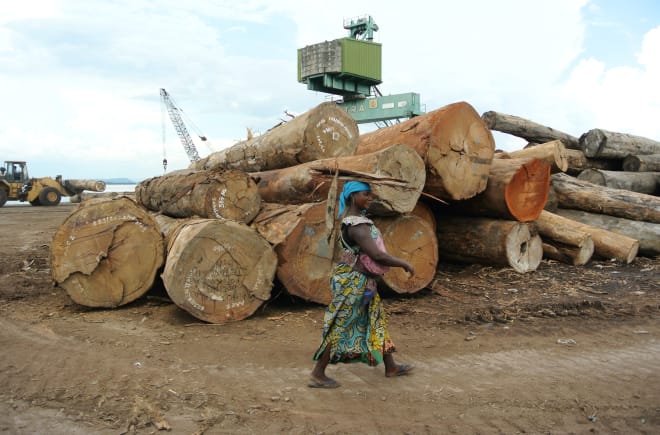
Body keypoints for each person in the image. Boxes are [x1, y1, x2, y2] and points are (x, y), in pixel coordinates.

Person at [308, 181, 415, 388]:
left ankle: (390, 367)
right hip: (353, 282)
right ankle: (317, 373)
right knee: (340, 324)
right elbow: (376, 254)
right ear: (352, 196)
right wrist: (404, 263)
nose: (370, 198)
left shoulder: (356, 221)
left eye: (370, 195)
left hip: (362, 281)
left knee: (375, 320)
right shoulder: (356, 225)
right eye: (366, 195)